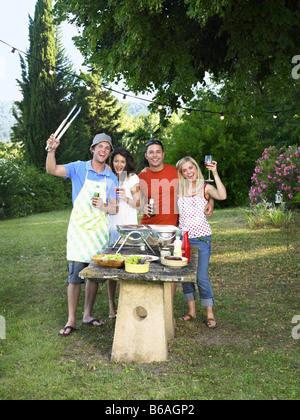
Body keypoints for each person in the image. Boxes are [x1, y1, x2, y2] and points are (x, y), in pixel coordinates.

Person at [46, 132, 118, 336]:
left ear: (109, 153)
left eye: (107, 148)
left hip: (99, 231)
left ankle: (87, 314)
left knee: (94, 276)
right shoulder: (78, 168)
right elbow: (51, 169)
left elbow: (114, 208)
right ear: (93, 149)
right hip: (79, 230)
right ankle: (71, 320)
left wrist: (104, 206)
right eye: (100, 147)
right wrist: (52, 150)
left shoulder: (111, 177)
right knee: (75, 276)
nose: (103, 150)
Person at [176, 156, 227, 328]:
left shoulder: (205, 187)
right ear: (181, 173)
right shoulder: (178, 188)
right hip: (183, 239)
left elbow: (222, 195)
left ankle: (210, 314)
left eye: (191, 168)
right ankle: (191, 311)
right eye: (185, 170)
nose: (189, 172)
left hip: (202, 238)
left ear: (196, 168)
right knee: (186, 278)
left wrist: (214, 172)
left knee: (202, 278)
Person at [107, 147, 142, 318]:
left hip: (128, 229)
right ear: (111, 162)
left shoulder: (132, 178)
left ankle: (127, 304)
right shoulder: (109, 178)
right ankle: (112, 307)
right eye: (116, 161)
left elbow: (140, 204)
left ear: (127, 162)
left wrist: (124, 198)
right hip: (112, 228)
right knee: (112, 269)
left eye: (122, 161)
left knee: (128, 267)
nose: (119, 164)